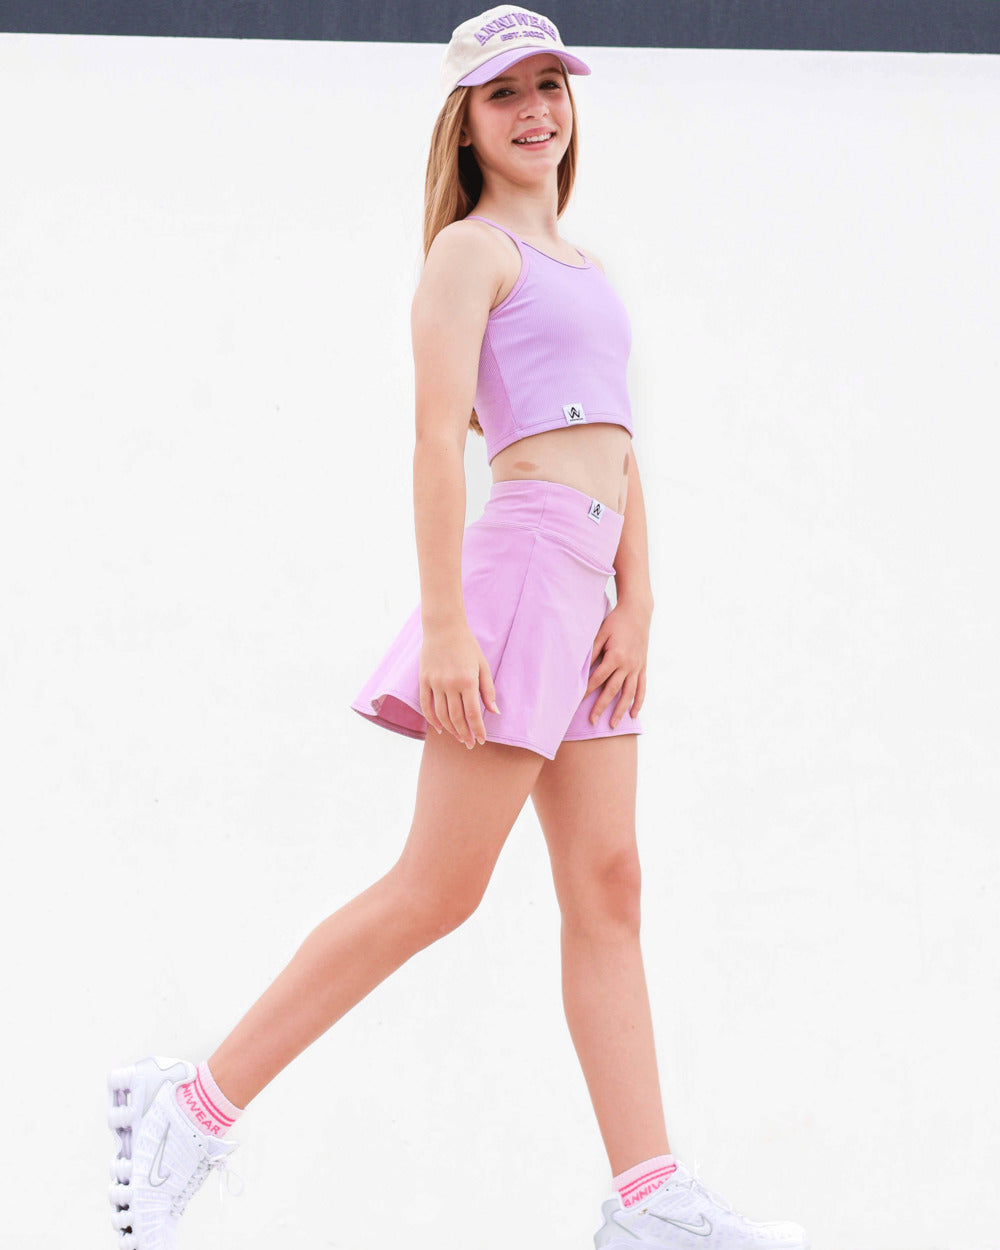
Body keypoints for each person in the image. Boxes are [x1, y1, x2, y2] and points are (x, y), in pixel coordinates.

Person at [106, 7, 810, 1249]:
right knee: (440, 886)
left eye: (550, 87)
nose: (537, 109)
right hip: (521, 569)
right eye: (507, 96)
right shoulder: (468, 255)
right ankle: (191, 1104)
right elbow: (440, 441)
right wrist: (446, 626)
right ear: (468, 124)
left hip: (591, 588)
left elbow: (621, 447)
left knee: (610, 882)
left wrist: (640, 599)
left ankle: (647, 1198)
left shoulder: (585, 268)